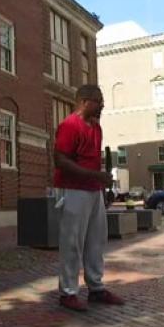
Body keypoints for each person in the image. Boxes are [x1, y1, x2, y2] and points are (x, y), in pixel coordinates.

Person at [54, 85, 125, 311]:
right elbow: (60, 160)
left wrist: (101, 186)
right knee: (72, 242)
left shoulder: (96, 127)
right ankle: (68, 292)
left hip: (94, 191)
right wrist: (95, 176)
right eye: (98, 101)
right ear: (84, 101)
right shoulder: (69, 125)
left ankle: (96, 288)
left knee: (96, 241)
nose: (102, 105)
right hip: (73, 189)